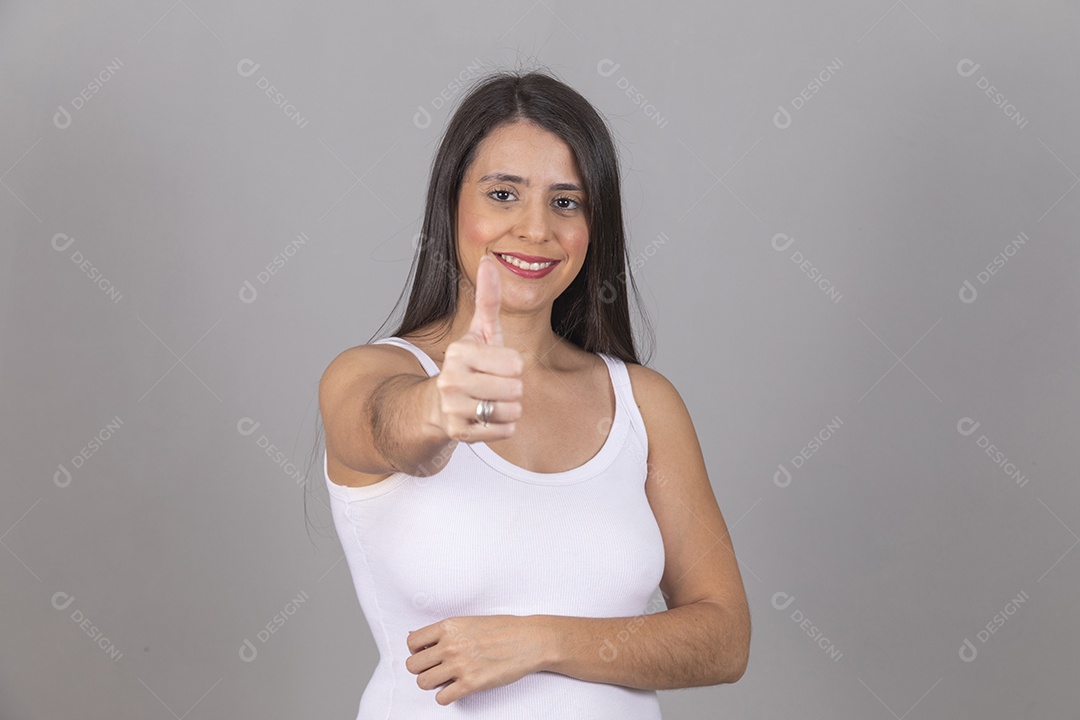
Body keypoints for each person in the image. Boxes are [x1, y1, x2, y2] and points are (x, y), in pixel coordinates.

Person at [317, 69, 750, 719]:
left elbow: (724, 639)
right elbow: (384, 429)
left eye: (566, 202)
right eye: (503, 194)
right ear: (451, 206)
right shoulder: (369, 373)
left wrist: (543, 641)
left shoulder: (643, 404)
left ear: (593, 226)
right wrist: (440, 404)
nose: (535, 228)